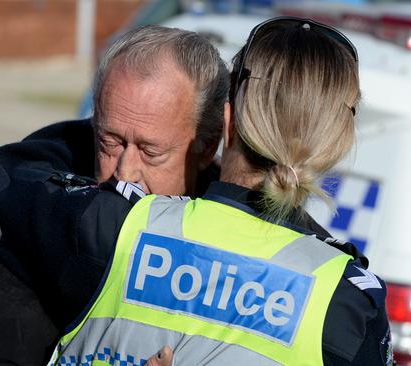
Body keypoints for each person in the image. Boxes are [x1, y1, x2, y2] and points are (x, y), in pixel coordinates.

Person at [46, 17, 393, 365]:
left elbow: (17, 171)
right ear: (338, 145)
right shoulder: (347, 298)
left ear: (226, 123)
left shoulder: (112, 224)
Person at [0, 25, 228, 366]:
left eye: (151, 152)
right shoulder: (42, 240)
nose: (125, 172)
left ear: (207, 145)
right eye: (110, 142)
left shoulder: (251, 252)